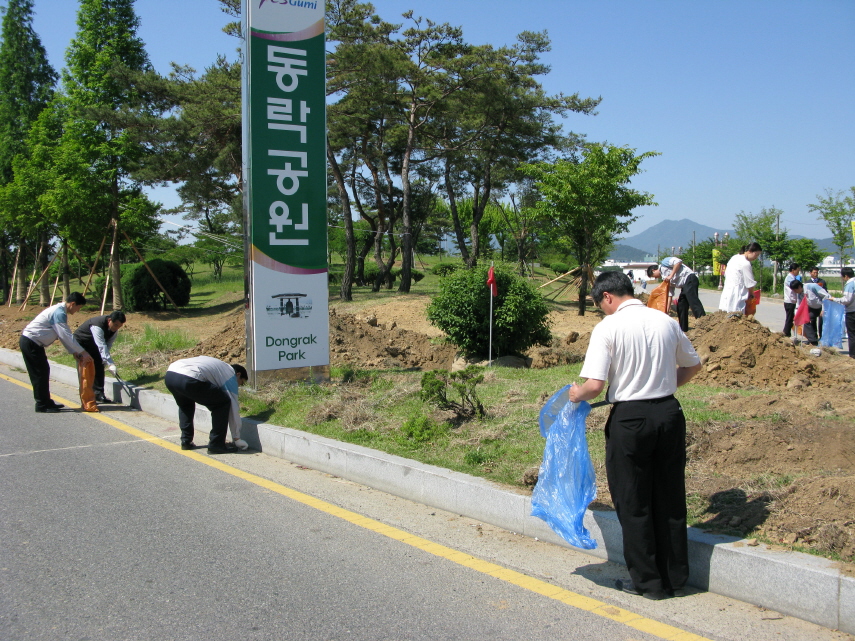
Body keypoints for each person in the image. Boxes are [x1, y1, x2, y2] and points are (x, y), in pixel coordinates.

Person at [568, 272, 702, 600]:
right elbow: (694, 365)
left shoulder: (608, 327)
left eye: (601, 305)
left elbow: (595, 386)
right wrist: (664, 385)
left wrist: (575, 394)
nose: (603, 310)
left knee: (633, 500)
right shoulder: (665, 321)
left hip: (631, 420)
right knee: (669, 495)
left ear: (607, 298)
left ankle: (648, 583)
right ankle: (675, 576)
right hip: (669, 414)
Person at [19, 292, 93, 413]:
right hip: (31, 343)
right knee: (39, 374)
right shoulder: (59, 312)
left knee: (44, 371)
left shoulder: (60, 312)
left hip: (34, 344)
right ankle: (41, 405)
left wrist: (73, 351)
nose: (78, 311)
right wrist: (83, 352)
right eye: (79, 307)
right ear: (73, 304)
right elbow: (65, 335)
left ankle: (46, 401)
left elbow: (61, 335)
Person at [164, 356, 249, 453]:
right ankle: (216, 444)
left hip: (171, 375)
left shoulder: (219, 367)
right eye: (241, 382)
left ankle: (186, 441)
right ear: (238, 374)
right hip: (189, 377)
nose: (239, 386)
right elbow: (233, 408)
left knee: (185, 405)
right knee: (223, 403)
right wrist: (237, 438)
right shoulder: (230, 375)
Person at [73, 310, 126, 405]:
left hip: (94, 345)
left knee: (100, 365)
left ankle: (98, 394)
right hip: (81, 344)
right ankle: (86, 398)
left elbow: (108, 344)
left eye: (119, 326)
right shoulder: (97, 326)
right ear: (109, 320)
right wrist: (110, 363)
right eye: (115, 325)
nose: (116, 328)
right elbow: (101, 345)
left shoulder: (114, 330)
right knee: (86, 370)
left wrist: (106, 360)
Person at [646, 257, 705, 331]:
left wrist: (671, 275)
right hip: (685, 286)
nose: (655, 278)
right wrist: (666, 311)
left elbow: (678, 262)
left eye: (653, 276)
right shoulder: (665, 279)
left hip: (690, 278)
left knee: (692, 300)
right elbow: (669, 295)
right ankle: (683, 328)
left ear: (653, 270)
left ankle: (704, 321)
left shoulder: (665, 263)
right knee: (681, 305)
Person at [718, 242, 762, 313]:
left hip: (727, 289)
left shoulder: (734, 258)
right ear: (750, 251)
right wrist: (751, 294)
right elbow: (749, 282)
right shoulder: (745, 263)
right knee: (736, 313)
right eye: (756, 255)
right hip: (738, 292)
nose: (756, 258)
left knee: (725, 312)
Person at [829, 267, 855, 358]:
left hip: (852, 312)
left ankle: (853, 355)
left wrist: (835, 299)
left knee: (852, 334)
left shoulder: (850, 284)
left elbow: (847, 299)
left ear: (846, 276)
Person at [802, 281, 830, 346]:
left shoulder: (812, 286)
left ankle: (823, 340)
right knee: (808, 320)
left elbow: (826, 296)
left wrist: (823, 309)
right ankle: (813, 340)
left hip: (822, 307)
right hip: (812, 308)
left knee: (822, 323)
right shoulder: (800, 291)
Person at [782, 263, 803, 338]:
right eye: (797, 270)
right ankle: (785, 333)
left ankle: (787, 333)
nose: (798, 272)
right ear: (793, 270)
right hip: (789, 301)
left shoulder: (793, 277)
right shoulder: (789, 278)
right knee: (789, 318)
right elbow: (795, 286)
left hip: (792, 301)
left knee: (790, 318)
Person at [808, 268, 828, 337]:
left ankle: (821, 335)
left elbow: (825, 293)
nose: (815, 274)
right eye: (814, 272)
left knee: (821, 321)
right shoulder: (808, 283)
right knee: (812, 320)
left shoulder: (822, 282)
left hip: (820, 304)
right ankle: (814, 335)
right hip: (812, 305)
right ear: (810, 273)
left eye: (817, 272)